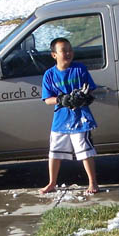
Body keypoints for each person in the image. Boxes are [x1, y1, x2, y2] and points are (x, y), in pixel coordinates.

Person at [39, 38, 99, 195]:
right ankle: (51, 182)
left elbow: (90, 89)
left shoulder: (79, 69)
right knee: (54, 152)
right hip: (60, 120)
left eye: (70, 50)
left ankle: (93, 182)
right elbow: (47, 99)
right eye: (63, 50)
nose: (68, 53)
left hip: (80, 118)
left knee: (85, 151)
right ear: (54, 55)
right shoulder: (49, 75)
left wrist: (85, 97)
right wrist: (60, 99)